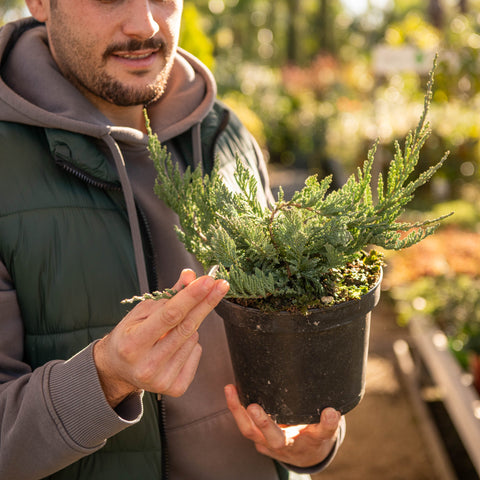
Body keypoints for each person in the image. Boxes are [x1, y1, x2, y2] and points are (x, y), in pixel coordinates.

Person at [0, 1, 345, 479]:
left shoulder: (225, 134)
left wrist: (305, 446)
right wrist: (104, 378)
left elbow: (290, 343)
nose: (145, 24)